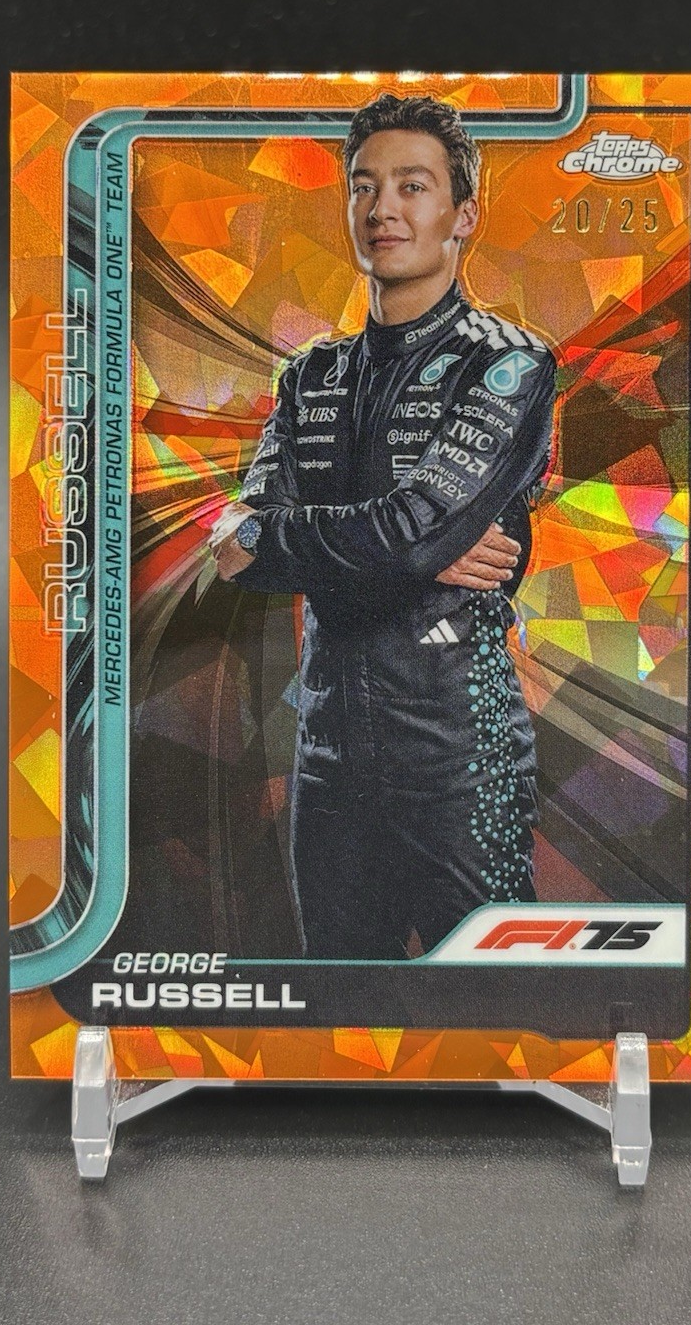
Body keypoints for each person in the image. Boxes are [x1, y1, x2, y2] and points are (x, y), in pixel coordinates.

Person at [211, 93, 557, 959]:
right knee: (341, 1012)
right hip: (328, 757)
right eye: (364, 186)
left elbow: (400, 532)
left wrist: (292, 542)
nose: (382, 208)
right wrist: (412, 549)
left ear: (463, 215)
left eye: (412, 185)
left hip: (459, 759)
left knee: (494, 1008)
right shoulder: (310, 375)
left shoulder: (509, 362)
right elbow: (237, 546)